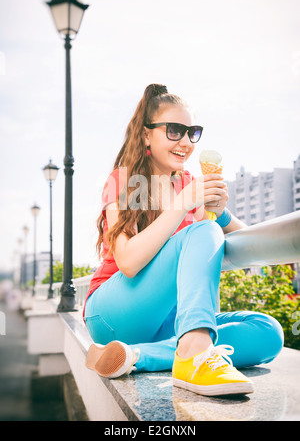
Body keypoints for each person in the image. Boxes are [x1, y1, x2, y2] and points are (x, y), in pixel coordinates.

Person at [83, 83, 284, 397]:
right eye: (174, 130)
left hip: (170, 321)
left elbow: (247, 240)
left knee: (267, 333)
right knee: (204, 230)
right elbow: (128, 262)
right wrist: (183, 204)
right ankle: (192, 355)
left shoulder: (191, 185)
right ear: (147, 134)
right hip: (115, 311)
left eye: (193, 132)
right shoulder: (126, 180)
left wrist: (220, 211)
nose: (186, 142)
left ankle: (137, 356)